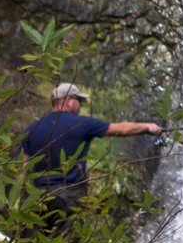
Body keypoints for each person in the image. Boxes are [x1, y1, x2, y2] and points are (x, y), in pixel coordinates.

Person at [21, 82, 162, 222]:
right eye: (79, 100)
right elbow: (121, 129)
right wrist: (148, 127)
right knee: (67, 242)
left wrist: (21, 202)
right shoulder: (82, 123)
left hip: (37, 197)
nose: (80, 105)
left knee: (38, 241)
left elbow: (23, 168)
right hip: (69, 196)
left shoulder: (31, 129)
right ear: (69, 101)